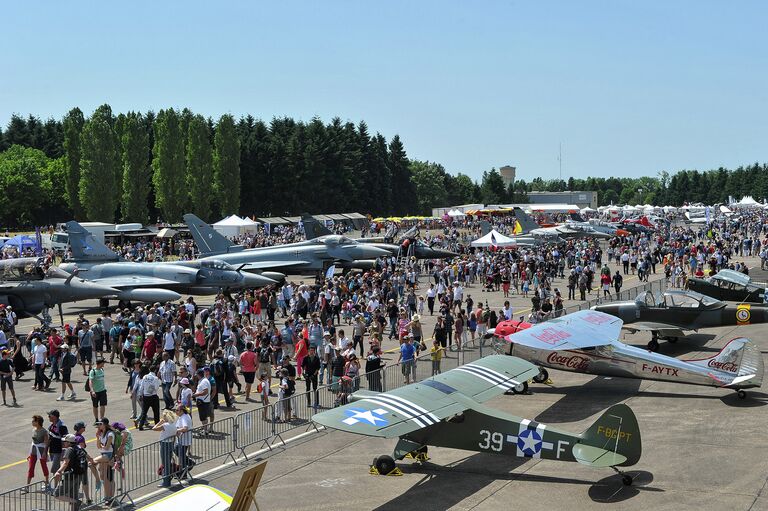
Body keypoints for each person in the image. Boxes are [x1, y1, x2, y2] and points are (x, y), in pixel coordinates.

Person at [52, 434, 84, 511]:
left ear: (69, 443)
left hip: (69, 476)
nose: (64, 443)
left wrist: (59, 471)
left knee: (57, 494)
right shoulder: (78, 448)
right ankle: (75, 503)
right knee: (73, 496)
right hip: (78, 475)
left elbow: (65, 463)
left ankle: (77, 502)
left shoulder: (69, 450)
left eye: (65, 441)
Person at [153, 409, 178, 488]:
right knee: (167, 462)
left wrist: (160, 422)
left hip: (164, 444)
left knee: (165, 463)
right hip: (170, 443)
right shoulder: (174, 424)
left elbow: (154, 428)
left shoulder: (166, 425)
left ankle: (166, 482)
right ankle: (167, 479)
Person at [93, 418, 115, 504]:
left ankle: (109, 496)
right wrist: (98, 437)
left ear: (105, 424)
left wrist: (102, 445)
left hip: (108, 455)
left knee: (92, 463)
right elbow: (99, 446)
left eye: (100, 424)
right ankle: (107, 496)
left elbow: (107, 447)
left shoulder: (110, 434)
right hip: (103, 455)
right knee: (104, 477)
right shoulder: (101, 434)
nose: (99, 426)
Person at [27, 414, 50, 487]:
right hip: (33, 451)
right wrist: (30, 453)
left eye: (34, 421)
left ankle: (47, 482)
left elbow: (46, 443)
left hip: (41, 451)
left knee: (44, 466)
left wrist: (44, 453)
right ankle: (27, 486)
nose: (32, 422)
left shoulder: (44, 431)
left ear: (38, 422)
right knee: (31, 467)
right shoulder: (34, 430)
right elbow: (33, 442)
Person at [137, 366, 161, 431]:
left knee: (144, 412)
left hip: (146, 396)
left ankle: (141, 425)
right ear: (155, 370)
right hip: (153, 396)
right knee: (156, 412)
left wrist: (140, 395)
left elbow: (141, 387)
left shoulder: (145, 377)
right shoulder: (155, 378)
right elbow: (156, 388)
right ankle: (157, 425)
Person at [174, 405, 193, 482]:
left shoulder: (184, 417)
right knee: (177, 451)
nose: (176, 412)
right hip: (182, 440)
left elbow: (185, 428)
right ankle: (190, 463)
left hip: (183, 441)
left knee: (181, 458)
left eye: (177, 410)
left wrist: (177, 430)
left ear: (182, 411)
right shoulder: (183, 416)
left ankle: (183, 474)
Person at [47, 409, 69, 474]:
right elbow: (49, 438)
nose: (48, 417)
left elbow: (65, 439)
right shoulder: (51, 426)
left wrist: (64, 451)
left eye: (49, 416)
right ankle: (59, 483)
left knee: (55, 469)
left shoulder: (62, 426)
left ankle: (56, 484)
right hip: (52, 450)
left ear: (54, 417)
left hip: (58, 451)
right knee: (57, 468)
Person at [88, 358, 108, 425]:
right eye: (103, 363)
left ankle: (101, 419)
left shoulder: (102, 370)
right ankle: (96, 419)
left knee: (103, 405)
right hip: (95, 392)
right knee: (95, 406)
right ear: (100, 363)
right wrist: (92, 391)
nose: (104, 364)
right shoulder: (93, 371)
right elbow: (90, 381)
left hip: (102, 391)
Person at [193, 368, 212, 434]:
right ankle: (205, 429)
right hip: (202, 401)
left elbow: (205, 391)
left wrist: (195, 395)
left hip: (203, 401)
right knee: (204, 417)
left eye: (196, 375)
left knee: (203, 417)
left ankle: (205, 430)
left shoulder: (203, 381)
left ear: (198, 375)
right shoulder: (202, 380)